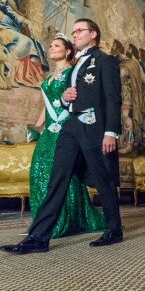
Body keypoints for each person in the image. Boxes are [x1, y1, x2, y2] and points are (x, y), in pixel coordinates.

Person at [0, 18, 123, 254]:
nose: (75, 34)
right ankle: (38, 238)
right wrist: (66, 98)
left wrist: (110, 132)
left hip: (94, 128)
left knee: (104, 179)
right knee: (57, 180)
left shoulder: (105, 61)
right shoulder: (74, 65)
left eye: (80, 31)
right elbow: (71, 97)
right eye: (73, 31)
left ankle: (114, 230)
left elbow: (112, 98)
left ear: (93, 34)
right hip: (70, 128)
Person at [29, 33, 106, 238]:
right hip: (48, 132)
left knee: (63, 174)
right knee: (39, 170)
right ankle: (42, 222)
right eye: (51, 45)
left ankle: (67, 220)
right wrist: (37, 125)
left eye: (57, 45)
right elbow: (46, 104)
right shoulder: (48, 77)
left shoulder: (73, 72)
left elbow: (80, 100)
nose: (51, 48)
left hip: (66, 129)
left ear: (68, 51)